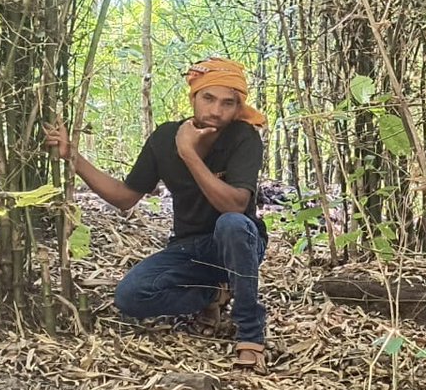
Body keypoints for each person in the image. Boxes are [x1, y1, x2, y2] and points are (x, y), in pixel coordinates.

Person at [43, 57, 270, 369]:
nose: (216, 110)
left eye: (228, 103)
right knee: (131, 296)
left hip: (239, 243)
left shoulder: (243, 137)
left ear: (237, 106)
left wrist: (188, 153)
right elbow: (124, 198)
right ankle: (212, 293)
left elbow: (234, 205)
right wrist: (73, 156)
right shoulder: (165, 138)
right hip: (188, 248)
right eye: (208, 98)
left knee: (231, 224)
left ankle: (250, 334)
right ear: (193, 98)